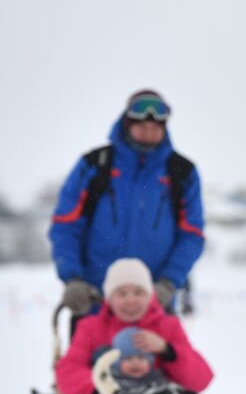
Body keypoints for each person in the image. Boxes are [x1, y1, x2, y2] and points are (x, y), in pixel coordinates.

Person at [51, 90, 205, 319]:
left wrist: (169, 282)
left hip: (155, 305)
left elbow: (191, 235)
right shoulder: (94, 165)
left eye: (155, 128)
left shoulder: (182, 172)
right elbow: (66, 227)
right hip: (94, 303)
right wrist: (72, 278)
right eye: (142, 126)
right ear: (127, 123)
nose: (149, 132)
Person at [54, 259, 213, 394]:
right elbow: (68, 371)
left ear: (150, 296)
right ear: (110, 297)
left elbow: (200, 379)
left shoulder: (167, 326)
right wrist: (101, 388)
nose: (131, 300)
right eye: (122, 293)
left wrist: (167, 350)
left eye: (138, 293)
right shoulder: (91, 327)